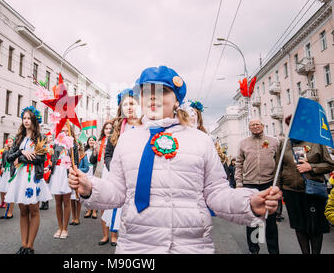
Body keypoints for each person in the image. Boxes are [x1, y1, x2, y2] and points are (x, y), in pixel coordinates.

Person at [68, 65, 281, 254]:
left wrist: (249, 204)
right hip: (136, 246)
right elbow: (115, 192)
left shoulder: (201, 141)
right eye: (146, 91)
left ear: (177, 99)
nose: (153, 96)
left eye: (162, 91)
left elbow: (216, 193)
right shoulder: (126, 141)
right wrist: (89, 187)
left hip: (191, 246)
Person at [278, 115, 334, 254]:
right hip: (291, 191)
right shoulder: (284, 144)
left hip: (312, 191)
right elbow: (278, 168)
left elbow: (330, 164)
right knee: (299, 227)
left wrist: (312, 167)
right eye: (290, 125)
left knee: (315, 228)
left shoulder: (316, 142)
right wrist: (278, 188)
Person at [4, 106, 51, 254]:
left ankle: (30, 246)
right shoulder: (18, 138)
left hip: (33, 177)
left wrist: (21, 158)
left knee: (34, 210)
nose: (26, 121)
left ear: (34, 120)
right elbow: (8, 158)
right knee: (23, 211)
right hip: (19, 177)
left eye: (29, 118)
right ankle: (23, 245)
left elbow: (40, 158)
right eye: (24, 118)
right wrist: (22, 152)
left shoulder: (40, 138)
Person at [101, 88, 142, 247]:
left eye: (132, 103)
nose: (129, 107)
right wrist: (115, 169)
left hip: (141, 181)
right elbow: (108, 155)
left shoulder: (147, 128)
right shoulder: (117, 131)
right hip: (121, 182)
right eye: (125, 104)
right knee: (121, 217)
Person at [235, 118, 280, 254]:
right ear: (249, 128)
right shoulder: (243, 143)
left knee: (271, 221)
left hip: (268, 185)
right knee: (254, 220)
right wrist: (239, 183)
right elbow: (239, 163)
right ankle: (254, 250)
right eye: (252, 125)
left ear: (263, 126)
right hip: (250, 185)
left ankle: (274, 251)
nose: (255, 127)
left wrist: (277, 184)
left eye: (257, 124)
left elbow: (278, 163)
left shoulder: (274, 141)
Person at [49, 124, 79, 239]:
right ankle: (59, 227)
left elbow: (75, 161)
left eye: (67, 131)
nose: (64, 133)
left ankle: (65, 228)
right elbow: (53, 159)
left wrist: (73, 170)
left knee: (66, 201)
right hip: (57, 173)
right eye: (62, 130)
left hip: (67, 173)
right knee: (57, 202)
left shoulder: (74, 145)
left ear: (70, 132)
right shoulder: (56, 143)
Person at [0, 136, 16, 220]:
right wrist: (2, 166)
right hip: (5, 172)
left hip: (12, 172)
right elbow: (3, 162)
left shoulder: (15, 151)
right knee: (5, 192)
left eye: (11, 141)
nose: (9, 143)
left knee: (10, 192)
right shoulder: (5, 152)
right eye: (8, 141)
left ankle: (10, 212)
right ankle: (6, 211)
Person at [83, 136, 98, 219]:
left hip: (94, 170)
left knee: (94, 190)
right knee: (87, 191)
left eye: (93, 140)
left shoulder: (97, 150)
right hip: (87, 171)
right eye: (90, 140)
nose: (91, 141)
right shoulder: (85, 150)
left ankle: (94, 210)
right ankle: (88, 210)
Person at [40, 132, 54, 211]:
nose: (50, 139)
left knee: (47, 185)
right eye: (49, 137)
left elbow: (52, 157)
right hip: (42, 165)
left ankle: (46, 202)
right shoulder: (42, 146)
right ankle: (43, 201)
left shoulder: (52, 146)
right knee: (42, 185)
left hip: (48, 166)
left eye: (51, 137)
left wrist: (49, 166)